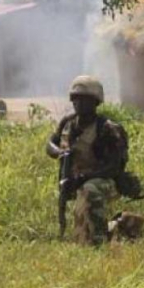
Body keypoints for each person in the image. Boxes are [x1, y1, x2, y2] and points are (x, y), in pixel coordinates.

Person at [46, 75, 134, 245]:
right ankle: (120, 225)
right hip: (75, 181)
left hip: (106, 181)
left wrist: (84, 178)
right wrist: (60, 153)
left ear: (95, 102)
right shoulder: (68, 123)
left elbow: (114, 167)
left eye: (83, 100)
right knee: (81, 238)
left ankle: (100, 238)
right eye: (75, 99)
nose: (77, 104)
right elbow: (50, 144)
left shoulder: (107, 129)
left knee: (90, 190)